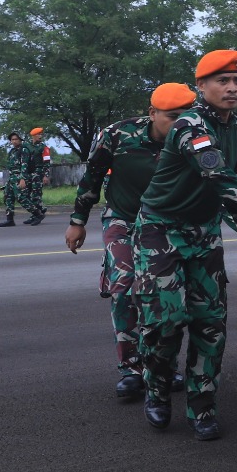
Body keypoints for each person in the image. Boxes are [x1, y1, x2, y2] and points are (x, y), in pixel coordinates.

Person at [134, 50, 237, 440]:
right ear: (201, 87)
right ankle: (158, 390)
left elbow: (227, 189)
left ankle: (202, 405)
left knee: (210, 322)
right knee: (165, 321)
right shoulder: (190, 126)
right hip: (161, 230)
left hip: (203, 231)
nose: (232, 88)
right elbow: (219, 177)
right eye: (222, 81)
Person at [66, 83, 196, 401]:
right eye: (172, 117)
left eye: (186, 117)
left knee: (165, 297)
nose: (180, 124)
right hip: (123, 218)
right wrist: (77, 221)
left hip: (169, 222)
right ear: (152, 113)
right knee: (124, 287)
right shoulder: (117, 135)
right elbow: (92, 176)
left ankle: (162, 364)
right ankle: (131, 368)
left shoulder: (194, 138)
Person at [19, 127, 52, 225]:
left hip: (38, 174)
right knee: (24, 195)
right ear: (33, 135)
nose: (40, 136)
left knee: (36, 196)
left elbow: (47, 162)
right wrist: (23, 176)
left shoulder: (44, 148)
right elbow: (23, 162)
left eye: (41, 134)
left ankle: (36, 216)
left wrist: (46, 175)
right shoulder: (26, 146)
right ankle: (40, 209)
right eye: (38, 134)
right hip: (28, 174)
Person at [0, 131, 25, 227]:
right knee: (7, 197)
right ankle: (10, 219)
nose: (14, 141)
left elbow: (25, 166)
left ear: (20, 140)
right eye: (12, 139)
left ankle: (37, 213)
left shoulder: (24, 150)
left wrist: (23, 178)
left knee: (21, 198)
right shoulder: (12, 151)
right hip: (12, 177)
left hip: (20, 177)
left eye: (16, 139)